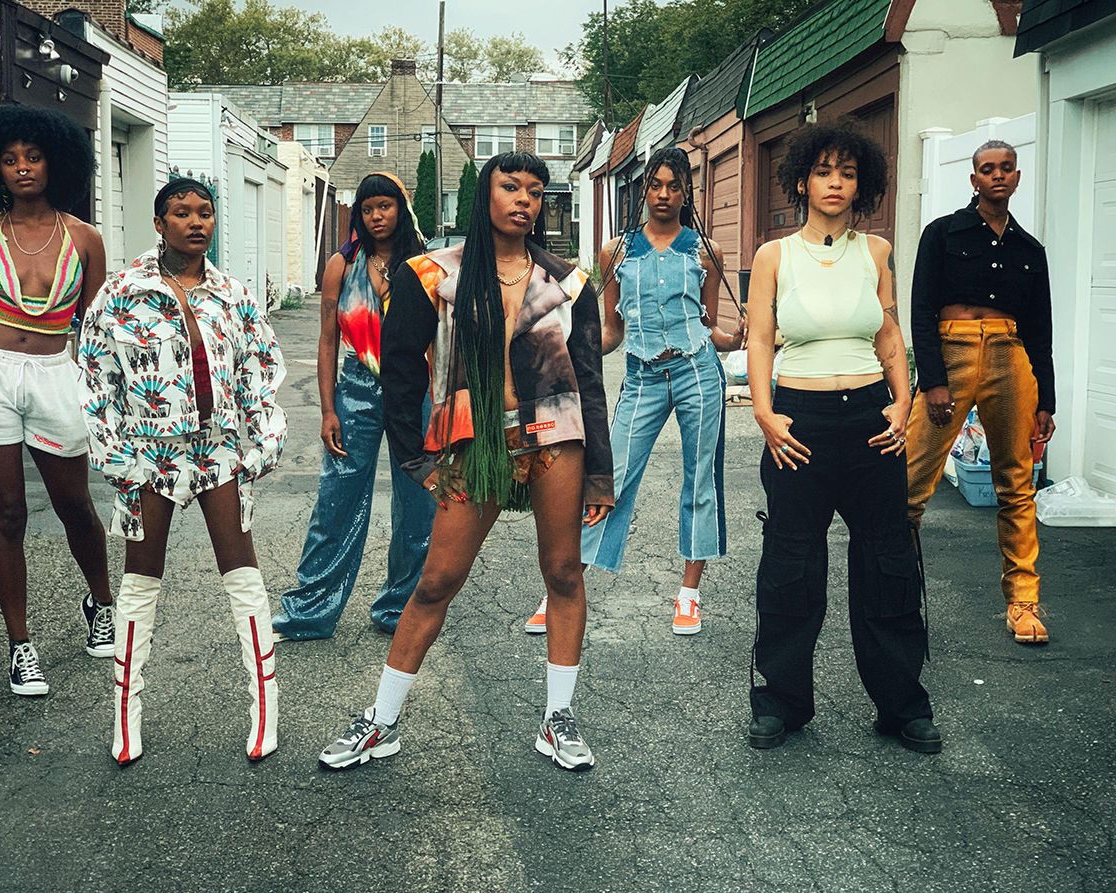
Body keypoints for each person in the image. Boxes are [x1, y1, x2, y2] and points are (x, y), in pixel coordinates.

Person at [317, 152, 614, 771]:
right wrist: (415, 459)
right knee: (435, 581)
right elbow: (400, 372)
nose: (524, 200)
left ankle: (558, 718)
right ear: (486, 194)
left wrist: (599, 475)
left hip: (555, 435)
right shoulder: (433, 274)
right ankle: (381, 721)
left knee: (564, 573)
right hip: (471, 442)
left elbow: (588, 380)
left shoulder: (568, 283)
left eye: (535, 191)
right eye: (511, 187)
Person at [744, 120, 940, 754]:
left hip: (871, 423)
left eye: (848, 173)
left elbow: (888, 332)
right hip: (798, 421)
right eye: (824, 171)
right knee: (791, 560)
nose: (835, 183)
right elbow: (760, 340)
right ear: (802, 181)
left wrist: (904, 400)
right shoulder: (774, 256)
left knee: (887, 558)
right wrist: (765, 414)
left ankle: (903, 705)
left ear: (862, 185)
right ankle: (781, 702)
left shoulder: (876, 251)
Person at [78, 179, 287, 764]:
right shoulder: (122, 292)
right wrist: (117, 458)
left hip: (219, 450)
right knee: (140, 579)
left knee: (243, 574)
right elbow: (96, 379)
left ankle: (266, 709)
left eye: (205, 213)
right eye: (181, 213)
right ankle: (125, 717)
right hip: (150, 452)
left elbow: (259, 368)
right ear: (159, 223)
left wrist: (259, 444)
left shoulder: (233, 294)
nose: (196, 222)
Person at [523, 147, 745, 637]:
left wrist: (736, 339)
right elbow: (612, 332)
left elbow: (710, 327)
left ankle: (689, 594)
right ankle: (562, 589)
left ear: (687, 192)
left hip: (697, 370)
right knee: (611, 476)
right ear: (643, 190)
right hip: (642, 374)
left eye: (674, 186)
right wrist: (567, 350)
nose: (663, 195)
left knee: (700, 478)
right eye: (655, 185)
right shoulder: (616, 251)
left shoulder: (705, 251)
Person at [0, 104, 115, 697]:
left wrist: (94, 389)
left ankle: (101, 603)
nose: (22, 167)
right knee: (8, 514)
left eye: (34, 157)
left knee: (75, 506)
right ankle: (20, 646)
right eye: (9, 159)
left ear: (55, 163)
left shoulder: (85, 239)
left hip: (54, 374)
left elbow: (96, 328)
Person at [273, 173, 434, 640]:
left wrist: (444, 402)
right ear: (358, 216)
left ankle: (401, 609)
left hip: (414, 391)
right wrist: (328, 410)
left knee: (419, 503)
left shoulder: (423, 263)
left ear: (400, 208)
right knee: (336, 501)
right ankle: (310, 611)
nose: (377, 216)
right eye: (367, 209)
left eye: (385, 206)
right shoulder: (341, 265)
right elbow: (327, 340)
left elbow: (441, 340)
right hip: (357, 389)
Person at [906, 141, 1054, 644]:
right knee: (911, 480)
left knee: (1016, 483)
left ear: (1017, 177)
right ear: (974, 180)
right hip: (952, 352)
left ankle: (1023, 602)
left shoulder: (1029, 250)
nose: (997, 176)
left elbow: (1040, 331)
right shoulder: (942, 233)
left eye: (1006, 168)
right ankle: (897, 592)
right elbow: (921, 309)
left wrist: (1046, 401)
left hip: (1011, 357)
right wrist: (933, 380)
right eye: (987, 169)